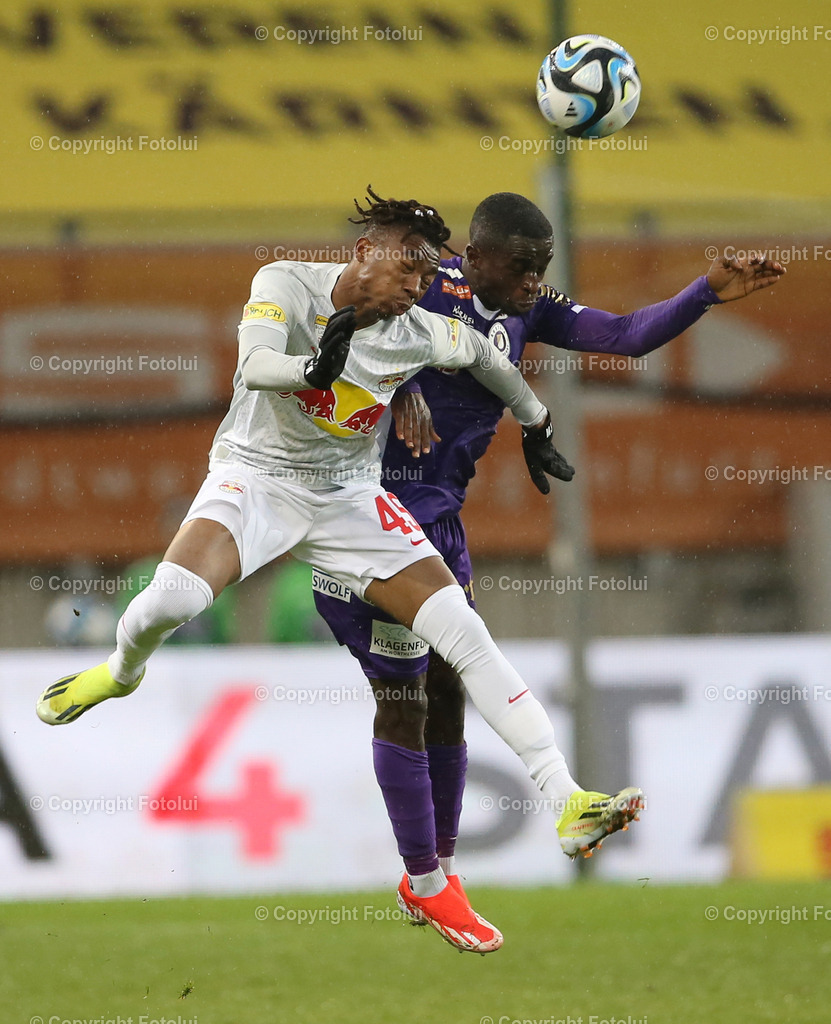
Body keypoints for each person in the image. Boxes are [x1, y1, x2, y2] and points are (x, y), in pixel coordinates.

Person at [36, 188, 600, 956]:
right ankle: (122, 670)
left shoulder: (421, 330)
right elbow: (258, 367)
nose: (415, 286)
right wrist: (319, 357)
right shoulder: (285, 283)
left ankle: (566, 801)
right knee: (168, 601)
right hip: (255, 479)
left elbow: (488, 361)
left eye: (426, 273)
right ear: (365, 251)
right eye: (407, 268)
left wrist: (535, 423)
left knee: (461, 637)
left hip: (348, 502)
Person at [313, 191, 785, 932]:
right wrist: (382, 388)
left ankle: (436, 876)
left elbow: (624, 335)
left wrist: (705, 293)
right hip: (365, 515)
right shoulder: (421, 283)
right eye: (523, 265)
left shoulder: (526, 311)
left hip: (438, 521)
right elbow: (332, 322)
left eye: (543, 267)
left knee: (439, 693)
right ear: (475, 254)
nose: (535, 279)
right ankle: (475, 851)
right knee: (420, 689)